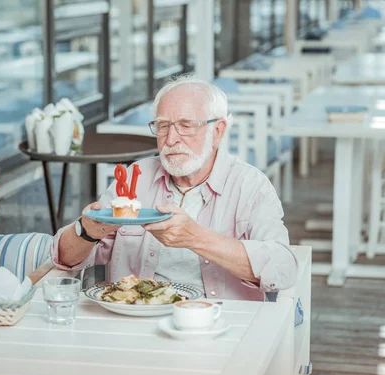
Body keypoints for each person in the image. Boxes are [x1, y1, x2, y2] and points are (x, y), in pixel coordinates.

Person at [51, 75, 298, 300]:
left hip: (218, 328)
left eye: (186, 125)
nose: (171, 139)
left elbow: (282, 268)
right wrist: (86, 232)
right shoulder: (135, 179)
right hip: (133, 323)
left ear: (218, 130)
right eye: (163, 126)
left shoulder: (250, 186)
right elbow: (65, 259)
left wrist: (196, 238)